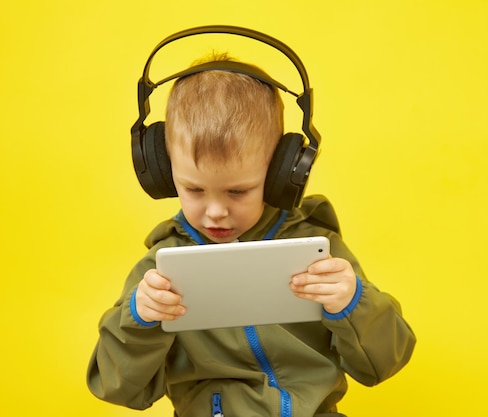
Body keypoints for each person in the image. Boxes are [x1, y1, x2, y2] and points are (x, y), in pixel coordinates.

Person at [87, 49, 415, 417]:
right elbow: (117, 388)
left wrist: (354, 302)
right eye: (194, 190)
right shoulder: (160, 271)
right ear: (164, 172)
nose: (215, 212)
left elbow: (384, 363)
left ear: (279, 172)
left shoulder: (315, 250)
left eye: (237, 192)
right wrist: (141, 317)